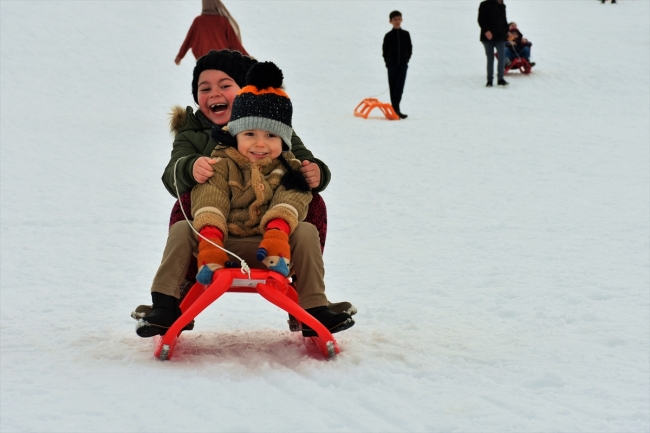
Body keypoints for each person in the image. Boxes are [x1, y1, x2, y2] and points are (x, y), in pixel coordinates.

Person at [134, 50, 355, 337]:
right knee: (184, 207)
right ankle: (172, 299)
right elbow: (171, 175)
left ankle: (308, 301)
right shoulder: (193, 133)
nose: (215, 93)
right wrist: (190, 167)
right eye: (205, 88)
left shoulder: (274, 126)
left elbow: (302, 164)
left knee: (311, 206)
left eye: (225, 85)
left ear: (245, 90)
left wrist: (316, 173)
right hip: (213, 234)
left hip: (271, 235)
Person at [175, 0, 249, 65]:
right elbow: (234, 43)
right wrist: (247, 57)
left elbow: (188, 40)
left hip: (205, 62)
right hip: (222, 60)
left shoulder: (198, 21)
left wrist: (180, 56)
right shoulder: (222, 21)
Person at [382, 10, 412, 119]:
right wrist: (388, 63)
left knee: (400, 87)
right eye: (395, 19)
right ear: (390, 21)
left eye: (399, 19)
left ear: (402, 20)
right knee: (393, 87)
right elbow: (384, 51)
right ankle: (395, 109)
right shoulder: (388, 36)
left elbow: (410, 48)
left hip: (403, 65)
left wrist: (406, 60)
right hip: (392, 66)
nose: (397, 21)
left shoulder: (406, 34)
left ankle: (396, 109)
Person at [478, 0, 509, 87]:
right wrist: (486, 31)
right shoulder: (484, 4)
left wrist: (507, 31)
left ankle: (500, 79)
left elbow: (504, 21)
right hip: (487, 38)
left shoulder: (503, 6)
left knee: (502, 57)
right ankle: (489, 81)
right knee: (490, 59)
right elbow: (481, 20)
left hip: (500, 37)